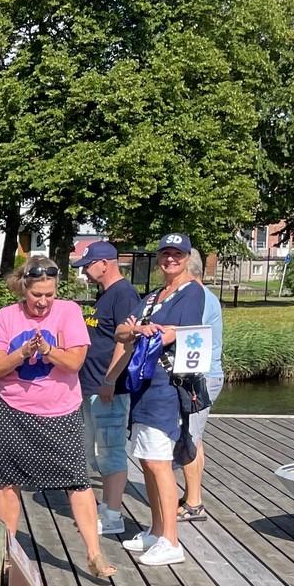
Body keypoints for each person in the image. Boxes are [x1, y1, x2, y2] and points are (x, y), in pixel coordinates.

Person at [0, 259, 116, 579]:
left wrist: (47, 349)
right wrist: (22, 352)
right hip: (13, 411)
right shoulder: (5, 317)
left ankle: (94, 554)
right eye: (37, 295)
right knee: (7, 483)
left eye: (49, 294)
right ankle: (7, 551)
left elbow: (74, 362)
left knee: (78, 482)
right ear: (23, 289)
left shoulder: (68, 312)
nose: (43, 301)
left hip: (61, 412)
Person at [119, 233, 206, 567]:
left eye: (178, 254)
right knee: (145, 460)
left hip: (166, 385)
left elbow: (175, 332)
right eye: (166, 254)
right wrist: (142, 329)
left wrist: (145, 328)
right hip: (142, 382)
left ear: (187, 258)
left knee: (158, 462)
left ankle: (171, 539)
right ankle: (156, 530)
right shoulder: (154, 295)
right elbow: (122, 332)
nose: (171, 260)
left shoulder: (192, 292)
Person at [73, 241, 140, 537]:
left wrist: (110, 380)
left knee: (111, 450)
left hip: (108, 387)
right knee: (94, 451)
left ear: (105, 263)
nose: (85, 272)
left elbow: (125, 341)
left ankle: (113, 515)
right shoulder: (105, 296)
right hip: (91, 385)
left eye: (88, 265)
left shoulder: (124, 295)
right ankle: (104, 507)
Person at [176, 249, 224, 524]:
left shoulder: (200, 298)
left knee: (189, 438)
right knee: (194, 435)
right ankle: (191, 494)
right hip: (203, 375)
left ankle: (194, 503)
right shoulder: (204, 297)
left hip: (200, 378)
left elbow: (188, 335)